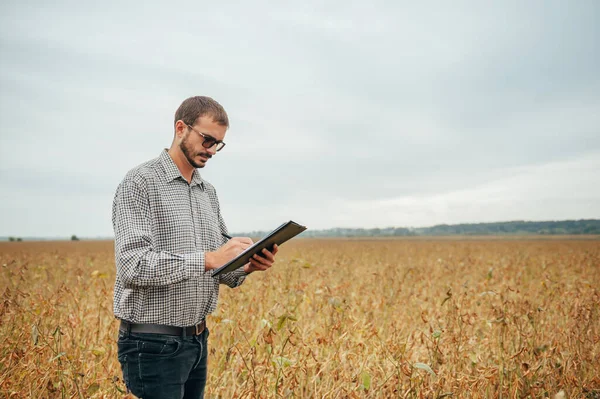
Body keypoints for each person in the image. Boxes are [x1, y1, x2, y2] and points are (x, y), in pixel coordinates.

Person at [112, 96, 278, 399]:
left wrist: (246, 265)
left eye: (219, 144)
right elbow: (132, 266)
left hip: (197, 341)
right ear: (180, 128)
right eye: (207, 140)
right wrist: (210, 258)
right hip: (151, 344)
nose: (213, 150)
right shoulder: (139, 183)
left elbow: (218, 268)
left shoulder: (207, 192)